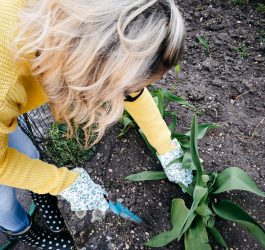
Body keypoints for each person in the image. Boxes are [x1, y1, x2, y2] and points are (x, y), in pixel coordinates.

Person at [0, 0, 193, 249]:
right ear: (96, 68)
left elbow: (129, 91)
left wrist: (166, 147)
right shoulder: (6, 83)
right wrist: (65, 183)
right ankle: (18, 228)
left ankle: (40, 192)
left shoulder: (89, 20)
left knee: (26, 153)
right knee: (3, 195)